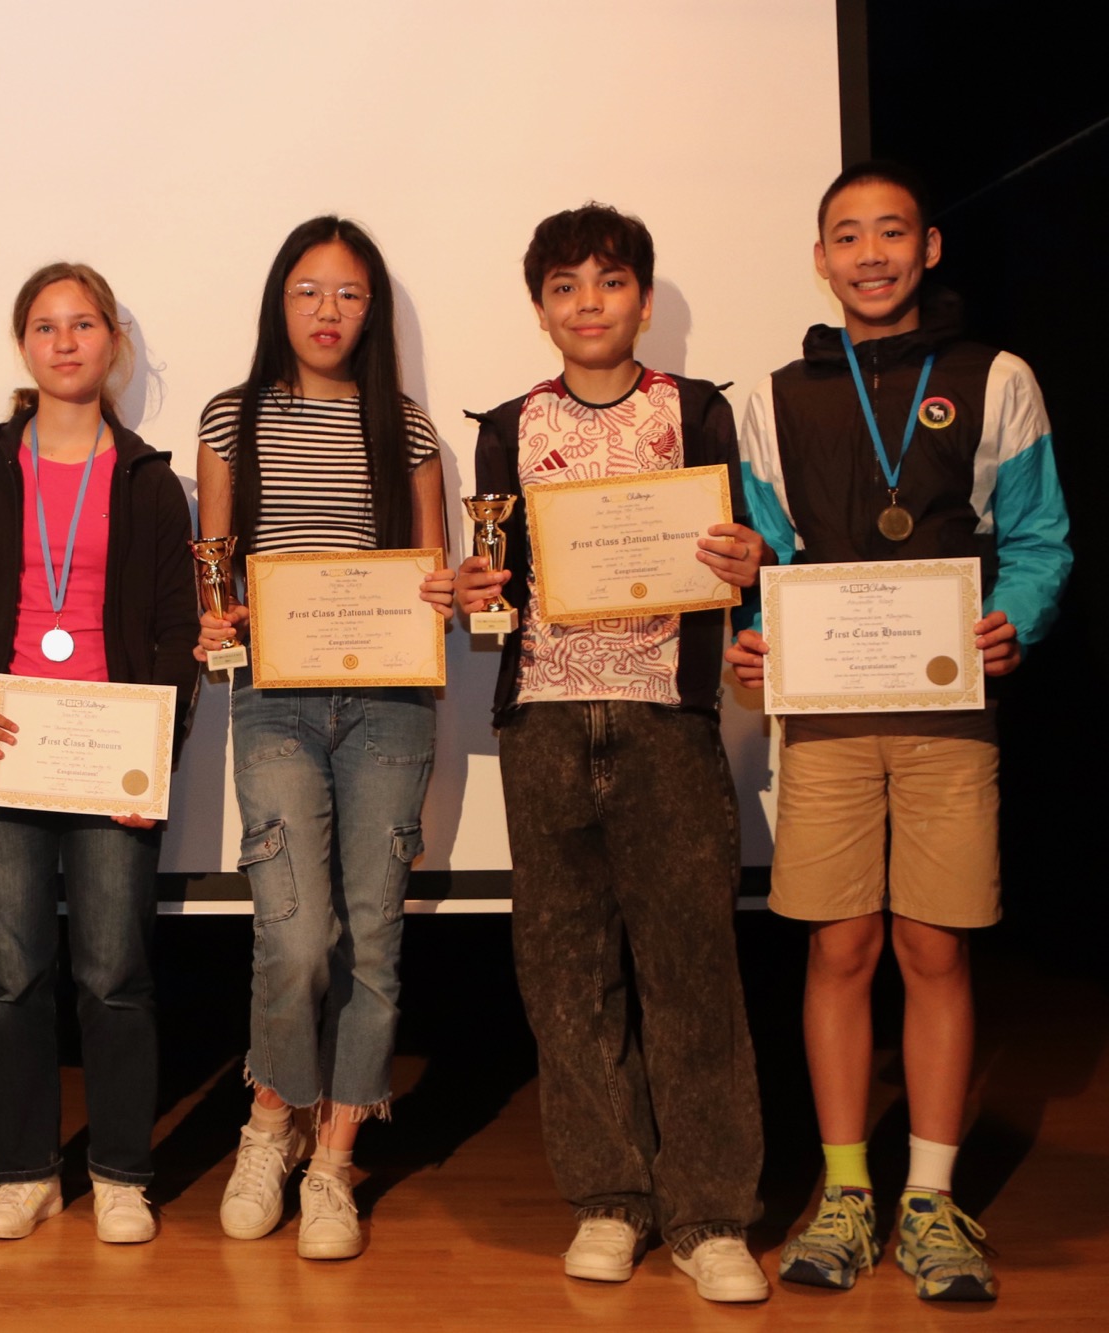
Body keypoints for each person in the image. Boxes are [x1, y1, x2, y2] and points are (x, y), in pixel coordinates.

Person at [727, 161, 1071, 1303]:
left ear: (927, 248)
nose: (868, 254)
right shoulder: (771, 397)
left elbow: (1038, 538)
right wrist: (753, 634)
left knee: (933, 946)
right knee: (839, 948)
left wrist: (1013, 621)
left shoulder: (996, 377)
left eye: (890, 233)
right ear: (819, 259)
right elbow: (766, 553)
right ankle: (843, 1192)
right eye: (846, 235)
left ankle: (928, 1195)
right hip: (825, 712)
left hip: (944, 708)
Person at [456, 203, 770, 1302]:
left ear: (641, 297)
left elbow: (741, 556)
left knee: (691, 967)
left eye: (609, 281)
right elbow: (495, 582)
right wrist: (476, 591)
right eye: (564, 286)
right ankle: (608, 1196)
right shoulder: (508, 426)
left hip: (667, 717)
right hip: (543, 718)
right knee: (566, 974)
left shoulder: (698, 411)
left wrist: (750, 560)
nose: (587, 303)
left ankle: (710, 1214)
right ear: (538, 308)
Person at [0, 261, 199, 1245]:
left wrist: (154, 752)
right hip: (3, 747)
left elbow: (177, 631)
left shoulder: (150, 481)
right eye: (46, 326)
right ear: (24, 345)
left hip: (112, 752)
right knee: (10, 976)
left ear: (111, 343)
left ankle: (121, 1172)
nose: (66, 341)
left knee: (114, 973)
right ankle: (24, 1172)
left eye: (84, 324)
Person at [194, 216, 454, 1261]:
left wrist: (446, 590)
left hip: (390, 701)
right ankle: (270, 1125)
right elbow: (215, 563)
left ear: (371, 310)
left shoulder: (408, 427)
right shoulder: (233, 415)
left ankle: (334, 1160)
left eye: (347, 294)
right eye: (307, 291)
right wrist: (213, 616)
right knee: (296, 937)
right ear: (279, 301)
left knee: (372, 938)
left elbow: (434, 572)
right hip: (274, 699)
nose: (327, 312)